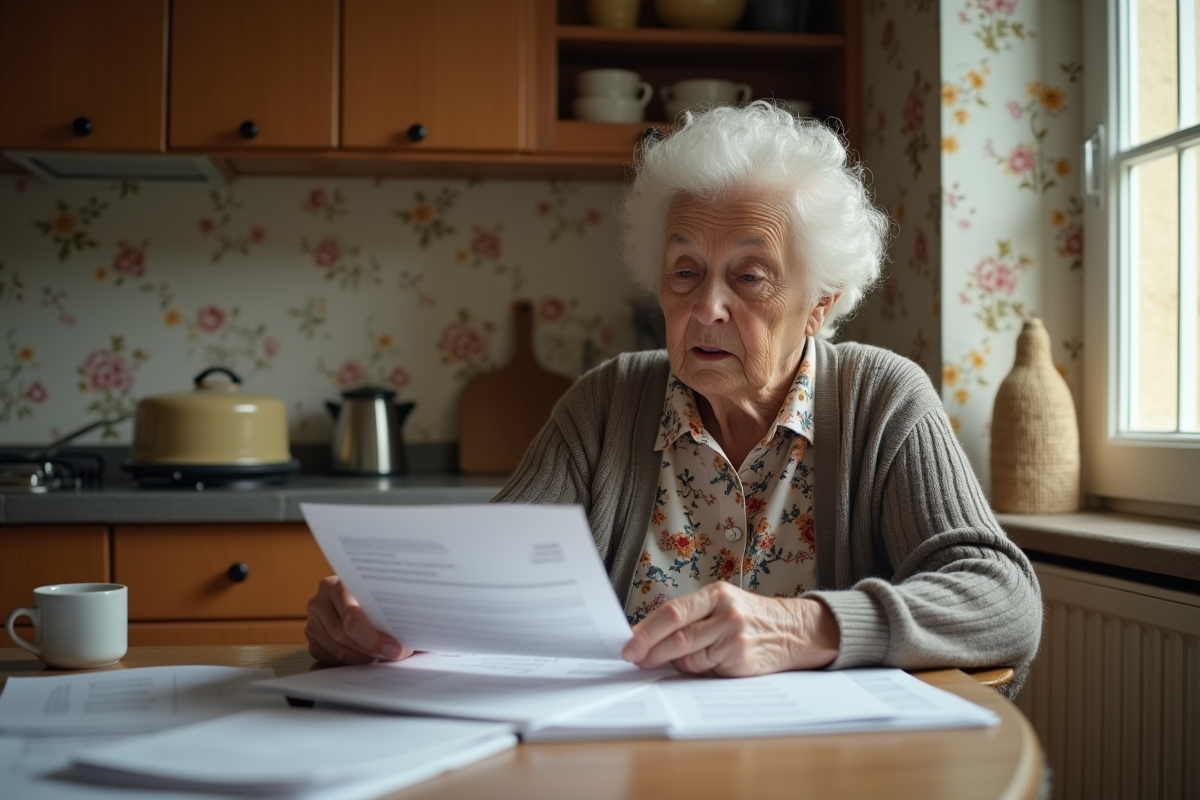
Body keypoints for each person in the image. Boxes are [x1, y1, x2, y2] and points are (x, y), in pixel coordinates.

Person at [305, 103, 1042, 696]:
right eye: (685, 270)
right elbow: (493, 582)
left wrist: (804, 626)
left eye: (749, 277)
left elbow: (1002, 597)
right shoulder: (608, 401)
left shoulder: (883, 398)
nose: (706, 307)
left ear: (820, 303)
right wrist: (385, 616)